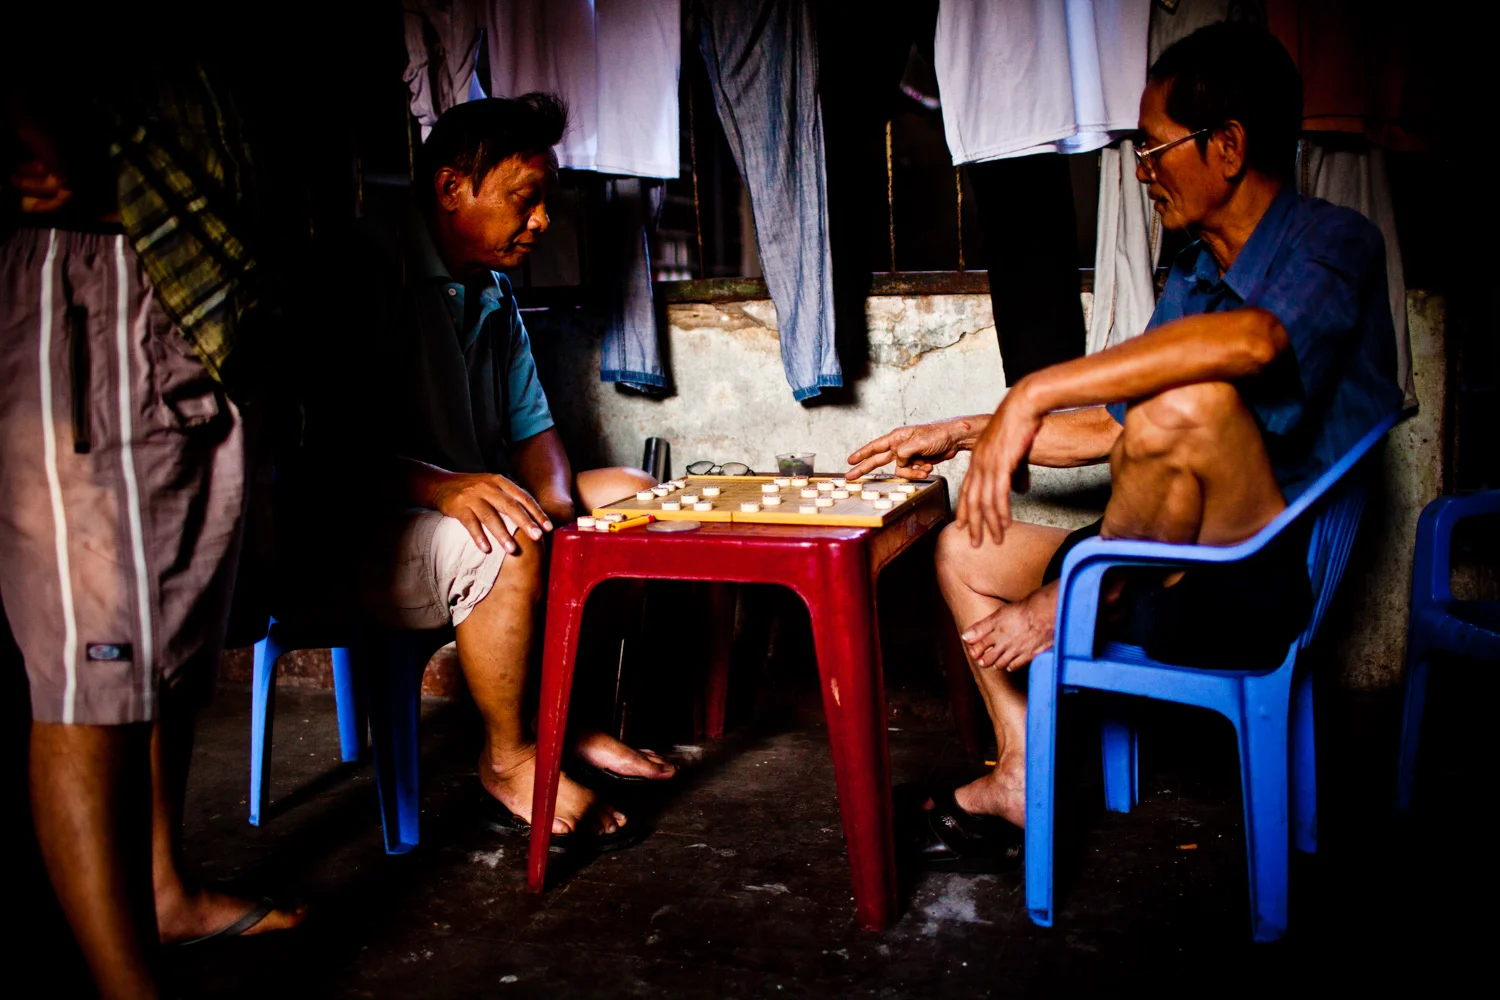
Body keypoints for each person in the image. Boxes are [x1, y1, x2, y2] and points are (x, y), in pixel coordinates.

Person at [847, 23, 1403, 870]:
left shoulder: (1335, 241)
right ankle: (1021, 774)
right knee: (963, 549)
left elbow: (1256, 344)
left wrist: (1034, 392)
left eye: (1153, 148)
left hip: (1254, 581)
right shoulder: (1195, 273)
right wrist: (969, 432)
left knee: (1187, 404)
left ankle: (1085, 593)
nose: (1142, 171)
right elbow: (1110, 427)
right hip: (1158, 557)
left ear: (1226, 146)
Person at [277, 94, 674, 852]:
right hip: (359, 529)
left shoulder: (491, 289)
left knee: (635, 500)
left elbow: (533, 431)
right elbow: (325, 450)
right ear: (452, 187)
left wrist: (561, 515)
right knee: (506, 536)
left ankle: (565, 718)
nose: (543, 221)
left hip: (459, 505)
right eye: (526, 199)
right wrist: (445, 487)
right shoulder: (363, 270)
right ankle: (509, 760)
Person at [1, 48, 302, 1000]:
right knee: (93, 666)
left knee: (172, 641)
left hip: (198, 293)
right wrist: (39, 133)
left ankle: (165, 892)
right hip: (96, 276)